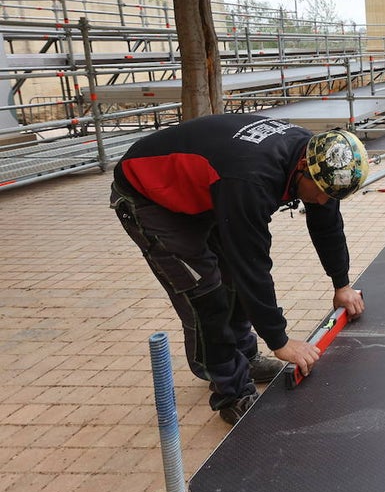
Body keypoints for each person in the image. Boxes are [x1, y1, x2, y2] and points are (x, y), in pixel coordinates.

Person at [110, 115, 370, 424]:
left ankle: (244, 358)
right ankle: (232, 394)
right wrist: (280, 341)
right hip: (149, 195)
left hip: (208, 188)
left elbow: (326, 221)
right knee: (206, 293)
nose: (324, 200)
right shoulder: (252, 179)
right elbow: (252, 263)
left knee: (231, 278)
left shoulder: (316, 160)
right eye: (322, 192)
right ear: (303, 168)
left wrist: (341, 285)